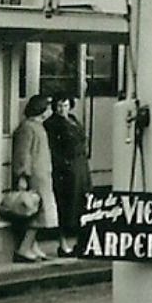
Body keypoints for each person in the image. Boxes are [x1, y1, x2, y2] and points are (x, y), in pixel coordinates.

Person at [10, 95, 59, 262]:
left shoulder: (35, 127)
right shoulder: (29, 128)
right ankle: (24, 248)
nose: (50, 111)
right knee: (37, 214)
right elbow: (23, 154)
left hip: (42, 175)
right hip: (36, 177)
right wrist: (23, 175)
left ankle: (33, 246)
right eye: (48, 107)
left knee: (40, 214)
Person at [45, 94, 91, 258]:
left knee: (82, 204)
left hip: (80, 168)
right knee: (65, 207)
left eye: (64, 105)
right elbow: (53, 149)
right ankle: (63, 244)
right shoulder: (51, 124)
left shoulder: (73, 119)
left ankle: (81, 242)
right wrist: (64, 165)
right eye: (58, 106)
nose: (62, 109)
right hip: (66, 171)